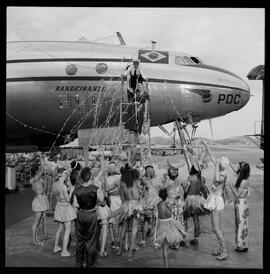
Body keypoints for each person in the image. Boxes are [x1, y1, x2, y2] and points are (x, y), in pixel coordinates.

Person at [203, 142, 230, 260]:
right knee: (217, 227)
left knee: (215, 228)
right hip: (215, 198)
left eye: (219, 161)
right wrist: (206, 145)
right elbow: (212, 155)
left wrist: (216, 165)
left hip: (216, 200)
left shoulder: (222, 174)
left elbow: (217, 178)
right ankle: (221, 249)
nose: (216, 161)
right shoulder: (219, 169)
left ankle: (224, 251)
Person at [73, 167, 104, 268]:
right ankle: (90, 264)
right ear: (90, 177)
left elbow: (75, 204)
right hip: (91, 215)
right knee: (91, 241)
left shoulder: (77, 189)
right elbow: (102, 202)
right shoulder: (96, 189)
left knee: (80, 241)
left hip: (81, 214)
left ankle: (79, 263)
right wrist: (98, 204)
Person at [115, 163, 144, 261]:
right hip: (136, 205)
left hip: (127, 205)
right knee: (134, 229)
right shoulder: (135, 181)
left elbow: (122, 198)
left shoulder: (122, 183)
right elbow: (140, 193)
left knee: (124, 227)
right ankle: (130, 254)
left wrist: (125, 207)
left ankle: (119, 249)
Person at [155, 188, 188, 268]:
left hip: (161, 226)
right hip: (170, 226)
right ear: (167, 196)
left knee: (164, 248)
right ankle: (166, 266)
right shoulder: (169, 204)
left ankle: (166, 265)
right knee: (167, 246)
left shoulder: (158, 204)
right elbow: (179, 201)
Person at [52, 168, 76, 257]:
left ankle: (56, 247)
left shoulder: (54, 184)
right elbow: (68, 200)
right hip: (65, 207)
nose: (67, 175)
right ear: (62, 175)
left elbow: (60, 194)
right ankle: (64, 251)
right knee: (67, 229)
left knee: (59, 229)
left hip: (58, 206)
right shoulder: (63, 186)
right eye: (66, 174)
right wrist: (72, 191)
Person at [183, 165, 209, 246]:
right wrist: (204, 200)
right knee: (195, 220)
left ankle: (184, 238)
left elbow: (185, 192)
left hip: (189, 200)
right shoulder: (201, 182)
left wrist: (184, 196)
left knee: (184, 219)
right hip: (197, 201)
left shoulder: (189, 179)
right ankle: (196, 238)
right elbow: (205, 193)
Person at [229, 161, 250, 252]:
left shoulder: (243, 181)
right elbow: (234, 169)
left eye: (239, 167)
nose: (237, 167)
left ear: (241, 170)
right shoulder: (243, 178)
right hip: (242, 203)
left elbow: (237, 194)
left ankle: (241, 245)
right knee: (241, 224)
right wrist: (228, 161)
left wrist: (230, 187)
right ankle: (242, 245)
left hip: (240, 204)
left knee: (240, 224)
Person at [91, 158, 111, 257]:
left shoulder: (90, 180)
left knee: (99, 229)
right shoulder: (94, 180)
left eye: (97, 167)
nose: (97, 169)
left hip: (94, 206)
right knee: (103, 228)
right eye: (96, 167)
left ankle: (98, 247)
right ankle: (102, 249)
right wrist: (102, 159)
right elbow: (103, 169)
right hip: (100, 206)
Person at [30, 152, 50, 245]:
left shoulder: (37, 179)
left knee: (42, 220)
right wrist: (40, 157)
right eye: (38, 169)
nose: (40, 170)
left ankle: (43, 235)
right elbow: (42, 168)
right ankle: (34, 240)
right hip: (38, 200)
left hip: (41, 199)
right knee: (36, 222)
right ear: (36, 171)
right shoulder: (36, 178)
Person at [105, 161, 122, 249]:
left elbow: (121, 190)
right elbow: (106, 190)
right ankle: (112, 240)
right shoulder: (106, 178)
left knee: (119, 221)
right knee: (110, 221)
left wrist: (111, 190)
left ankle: (118, 240)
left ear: (115, 168)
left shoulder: (119, 177)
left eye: (113, 167)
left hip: (119, 200)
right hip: (111, 200)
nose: (111, 168)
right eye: (110, 167)